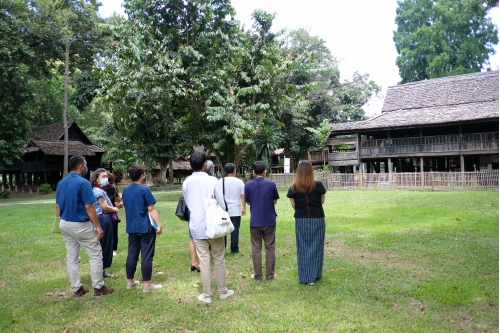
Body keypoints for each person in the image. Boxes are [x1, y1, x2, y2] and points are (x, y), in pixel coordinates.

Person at [56, 155, 114, 297]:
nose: (86, 167)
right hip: (81, 224)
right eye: (86, 164)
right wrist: (98, 226)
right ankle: (98, 287)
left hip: (65, 223)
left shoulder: (61, 183)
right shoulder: (83, 183)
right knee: (95, 255)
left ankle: (77, 288)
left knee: (72, 257)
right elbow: (89, 206)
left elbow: (57, 207)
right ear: (81, 166)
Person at [182, 152, 234, 303]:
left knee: (203, 261)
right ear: (205, 164)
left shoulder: (186, 183)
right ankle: (223, 291)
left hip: (197, 226)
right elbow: (222, 203)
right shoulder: (213, 181)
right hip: (214, 225)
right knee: (219, 259)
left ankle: (207, 295)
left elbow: (187, 202)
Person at [122, 164, 163, 292]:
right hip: (145, 227)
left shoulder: (125, 190)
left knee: (132, 254)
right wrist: (159, 225)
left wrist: (127, 226)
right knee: (146, 255)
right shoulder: (144, 190)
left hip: (132, 227)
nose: (145, 175)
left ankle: (130, 281)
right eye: (144, 173)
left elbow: (125, 210)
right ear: (141, 176)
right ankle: (147, 285)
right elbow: (151, 209)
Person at [286, 160, 327, 286]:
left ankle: (306, 276)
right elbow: (322, 201)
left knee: (303, 248)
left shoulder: (293, 187)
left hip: (301, 220)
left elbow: (294, 205)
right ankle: (315, 274)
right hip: (317, 219)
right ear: (311, 171)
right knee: (317, 246)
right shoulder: (318, 185)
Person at [244, 161, 279, 281]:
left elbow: (248, 202)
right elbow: (275, 201)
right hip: (269, 220)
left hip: (255, 221)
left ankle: (258, 276)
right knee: (270, 248)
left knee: (256, 249)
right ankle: (270, 275)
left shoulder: (248, 185)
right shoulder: (271, 184)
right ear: (265, 171)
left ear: (253, 172)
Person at [90, 168, 118, 278]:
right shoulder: (98, 191)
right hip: (103, 218)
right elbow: (105, 206)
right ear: (96, 180)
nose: (106, 179)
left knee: (101, 245)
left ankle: (100, 270)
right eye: (103, 177)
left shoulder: (97, 190)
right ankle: (100, 270)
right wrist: (115, 209)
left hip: (100, 218)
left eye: (106, 176)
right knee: (104, 245)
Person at [214, 163, 246, 253]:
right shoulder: (239, 182)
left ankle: (222, 248)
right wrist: (244, 208)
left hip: (223, 209)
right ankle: (234, 248)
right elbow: (243, 196)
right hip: (235, 209)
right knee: (235, 230)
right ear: (235, 171)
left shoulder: (220, 181)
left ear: (225, 171)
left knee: (223, 229)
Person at [104, 173, 121, 257]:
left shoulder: (101, 188)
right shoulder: (114, 187)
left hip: (103, 212)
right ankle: (113, 249)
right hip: (113, 211)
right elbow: (117, 198)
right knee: (114, 231)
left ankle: (106, 247)